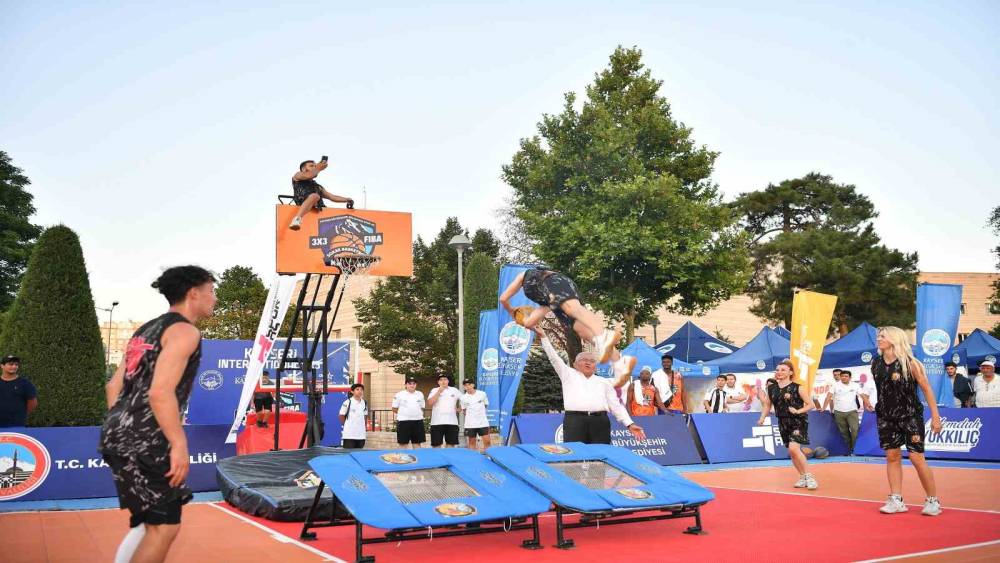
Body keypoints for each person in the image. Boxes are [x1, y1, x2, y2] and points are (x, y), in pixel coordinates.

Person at [99, 265, 217, 563]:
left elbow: (113, 386)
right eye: (211, 291)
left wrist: (123, 426)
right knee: (164, 526)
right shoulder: (185, 331)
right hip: (147, 436)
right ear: (194, 293)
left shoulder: (146, 330)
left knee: (147, 522)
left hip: (117, 430)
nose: (214, 298)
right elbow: (160, 392)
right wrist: (178, 443)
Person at [868, 326, 942, 516]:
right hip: (886, 417)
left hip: (910, 417)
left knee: (917, 458)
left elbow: (926, 389)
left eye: (883, 336)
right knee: (892, 457)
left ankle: (933, 500)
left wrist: (935, 417)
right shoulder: (875, 363)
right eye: (878, 336)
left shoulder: (911, 363)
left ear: (894, 339)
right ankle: (896, 500)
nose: (879, 339)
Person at [533, 325, 645, 444]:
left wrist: (629, 424)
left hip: (600, 422)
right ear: (575, 364)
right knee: (576, 452)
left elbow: (615, 405)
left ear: (595, 366)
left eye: (592, 361)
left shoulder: (604, 382)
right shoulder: (568, 375)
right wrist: (543, 336)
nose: (588, 362)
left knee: (600, 452)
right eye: (584, 360)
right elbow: (554, 358)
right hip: (574, 422)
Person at [500, 267, 620, 364]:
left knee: (572, 309)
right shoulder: (544, 305)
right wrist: (521, 318)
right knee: (581, 330)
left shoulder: (526, 275)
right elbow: (528, 323)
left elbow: (503, 299)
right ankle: (619, 362)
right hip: (558, 291)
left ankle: (602, 335)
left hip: (553, 281)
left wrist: (511, 311)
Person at [758, 360, 817, 489]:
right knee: (792, 452)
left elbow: (811, 405)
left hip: (798, 421)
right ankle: (802, 477)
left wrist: (798, 411)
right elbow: (767, 405)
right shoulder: (771, 388)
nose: (779, 372)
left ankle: (809, 477)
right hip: (782, 422)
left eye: (783, 370)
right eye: (778, 370)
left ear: (790, 372)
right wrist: (762, 418)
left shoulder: (798, 387)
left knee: (794, 448)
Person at [288, 157, 354, 230]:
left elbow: (331, 197)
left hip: (318, 211)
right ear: (304, 169)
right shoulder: (298, 175)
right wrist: (318, 168)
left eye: (315, 166)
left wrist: (347, 199)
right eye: (311, 166)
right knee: (315, 196)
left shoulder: (317, 187)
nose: (314, 167)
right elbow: (309, 175)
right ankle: (297, 219)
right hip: (302, 201)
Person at [824, 369, 862, 455]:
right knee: (843, 432)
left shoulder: (855, 385)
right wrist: (824, 408)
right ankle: (847, 449)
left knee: (855, 430)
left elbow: (863, 395)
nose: (843, 378)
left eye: (846, 376)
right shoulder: (834, 385)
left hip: (852, 411)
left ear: (850, 377)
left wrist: (868, 404)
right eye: (842, 376)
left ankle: (855, 448)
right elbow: (829, 397)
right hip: (838, 412)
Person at [0, 355, 38, 427]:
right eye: (11, 364)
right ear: (2, 366)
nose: (14, 366)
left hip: (17, 424)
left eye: (16, 364)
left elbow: (33, 403)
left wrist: (21, 414)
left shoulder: (25, 383)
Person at [427, 375, 462, 448]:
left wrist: (460, 408)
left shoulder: (454, 390)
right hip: (437, 422)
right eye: (441, 380)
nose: (443, 381)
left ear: (448, 381)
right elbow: (430, 402)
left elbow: (465, 399)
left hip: (452, 422)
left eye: (445, 379)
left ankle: (448, 456)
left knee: (451, 445)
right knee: (436, 445)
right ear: (438, 382)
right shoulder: (434, 390)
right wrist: (439, 391)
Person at [392, 378, 426, 449]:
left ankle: (417, 456)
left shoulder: (420, 394)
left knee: (417, 444)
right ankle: (402, 457)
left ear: (416, 385)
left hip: (418, 421)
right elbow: (394, 408)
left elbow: (422, 407)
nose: (412, 385)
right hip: (404, 422)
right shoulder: (399, 394)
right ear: (405, 385)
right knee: (403, 444)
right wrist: (404, 414)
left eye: (414, 384)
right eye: (410, 383)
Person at [458, 379, 491, 452]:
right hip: (470, 424)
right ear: (464, 387)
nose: (468, 386)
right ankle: (472, 458)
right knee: (472, 443)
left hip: (483, 423)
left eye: (469, 384)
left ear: (473, 385)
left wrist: (479, 414)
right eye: (465, 385)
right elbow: (464, 410)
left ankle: (488, 457)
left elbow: (485, 405)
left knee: (487, 442)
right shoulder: (463, 398)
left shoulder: (482, 394)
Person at [339, 383, 368, 449]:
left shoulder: (364, 403)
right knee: (348, 453)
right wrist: (347, 425)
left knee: (359, 453)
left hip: (361, 435)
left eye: (361, 390)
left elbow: (365, 416)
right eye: (357, 389)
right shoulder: (347, 402)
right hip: (349, 435)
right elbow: (341, 415)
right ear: (352, 391)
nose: (360, 391)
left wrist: (364, 427)